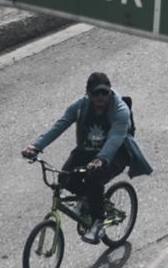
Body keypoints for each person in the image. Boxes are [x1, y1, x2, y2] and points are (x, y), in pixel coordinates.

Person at [22, 72, 152, 243]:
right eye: (95, 93)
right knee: (64, 178)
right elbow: (59, 126)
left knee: (93, 178)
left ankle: (98, 223)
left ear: (110, 91)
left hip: (115, 154)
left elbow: (114, 139)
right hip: (87, 149)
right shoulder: (79, 106)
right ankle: (88, 201)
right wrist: (36, 146)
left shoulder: (120, 110)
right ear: (88, 93)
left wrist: (101, 159)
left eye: (104, 92)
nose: (100, 97)